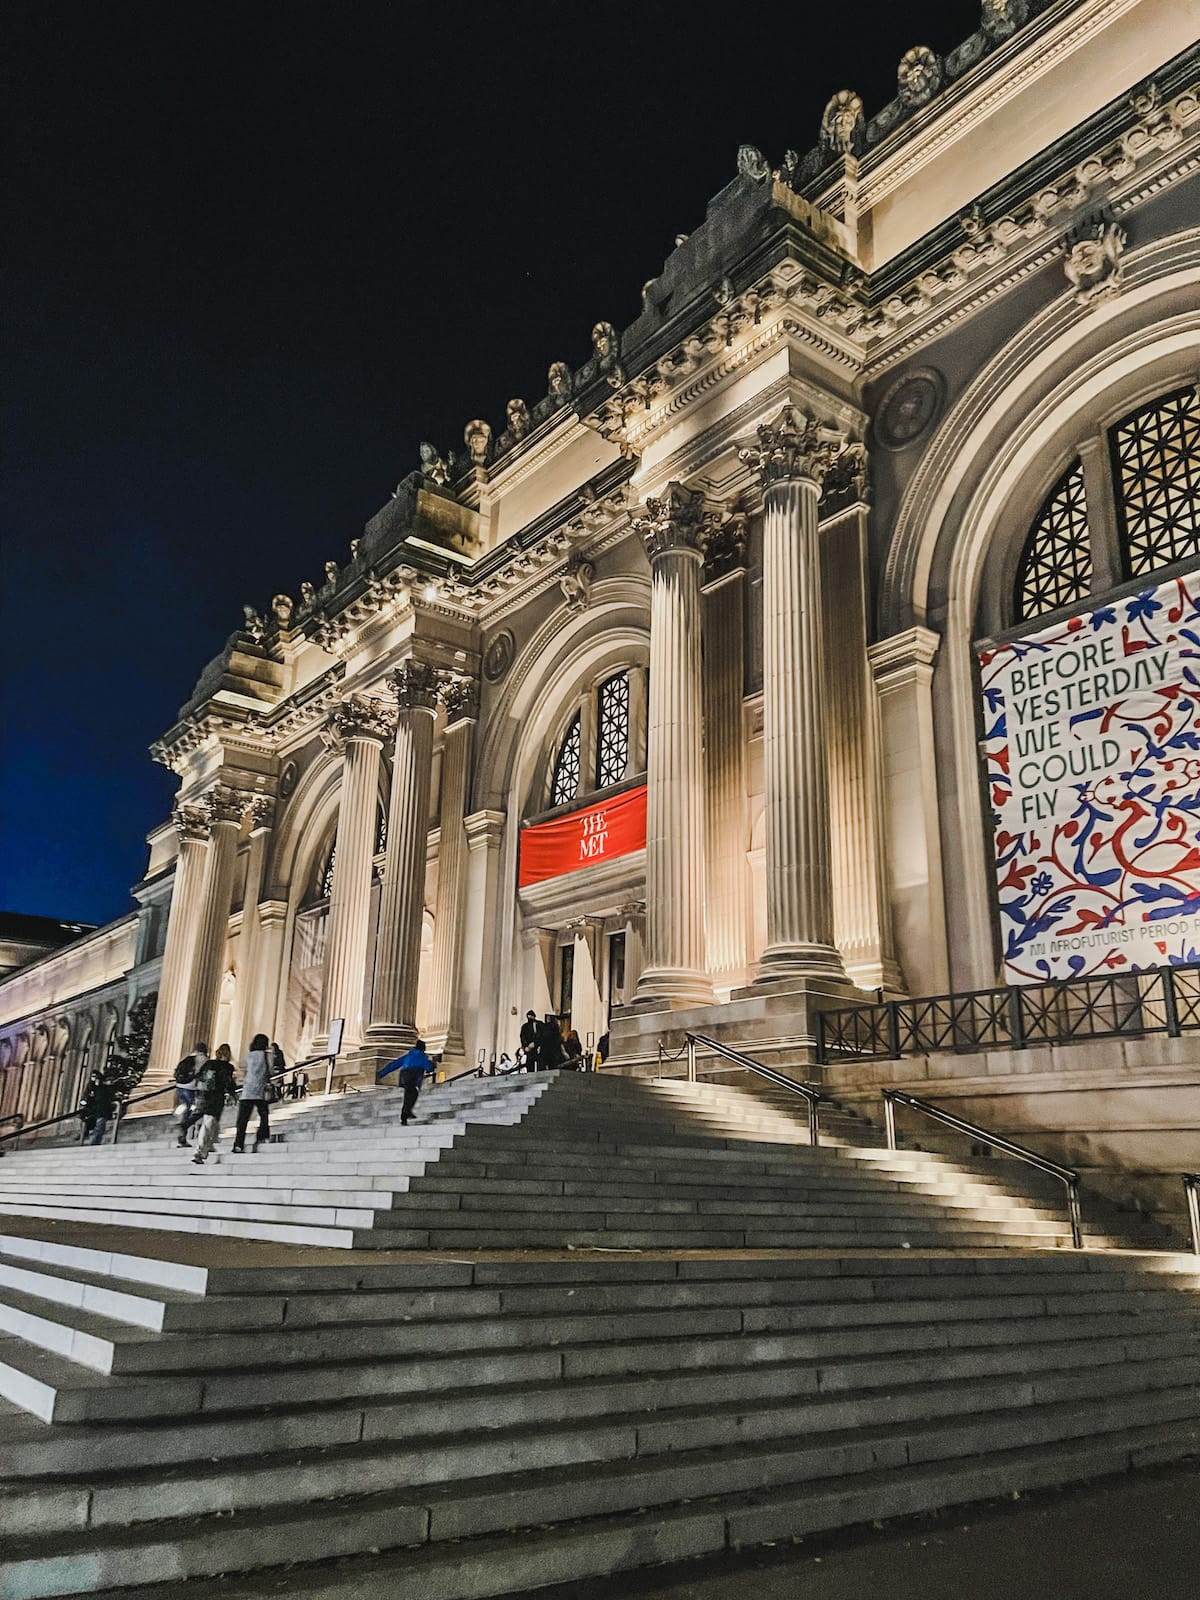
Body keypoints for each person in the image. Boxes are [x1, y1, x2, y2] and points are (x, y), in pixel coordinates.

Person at [190, 1049, 236, 1163]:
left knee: (211, 1121)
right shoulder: (227, 1066)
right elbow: (228, 1082)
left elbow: (199, 1076)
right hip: (216, 1097)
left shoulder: (209, 1064)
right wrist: (231, 1093)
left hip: (204, 1096)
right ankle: (200, 1151)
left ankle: (209, 1145)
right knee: (209, 1122)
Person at [378, 1040, 437, 1124]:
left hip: (404, 1077)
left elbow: (395, 1064)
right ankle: (405, 1115)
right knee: (413, 1095)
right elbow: (428, 1067)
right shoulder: (422, 1056)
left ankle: (406, 1113)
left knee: (408, 1096)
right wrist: (432, 1065)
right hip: (414, 1077)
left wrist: (382, 1073)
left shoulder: (409, 1055)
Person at [232, 1034, 272, 1153]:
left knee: (242, 1120)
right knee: (264, 1115)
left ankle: (238, 1144)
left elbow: (245, 1072)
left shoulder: (248, 1056)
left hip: (247, 1090)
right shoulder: (267, 1055)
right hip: (260, 1090)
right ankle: (262, 1136)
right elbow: (270, 1071)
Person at [172, 1042, 208, 1145]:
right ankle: (185, 1130)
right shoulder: (203, 1059)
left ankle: (182, 1133)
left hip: (180, 1086)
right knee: (193, 1111)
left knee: (184, 1109)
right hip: (192, 1088)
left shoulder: (186, 1059)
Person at [79, 1071, 117, 1145]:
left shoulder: (104, 1088)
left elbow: (108, 1098)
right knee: (90, 1125)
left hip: (101, 1111)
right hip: (92, 1111)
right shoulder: (90, 1087)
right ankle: (87, 1137)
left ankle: (94, 1141)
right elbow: (86, 1097)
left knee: (99, 1127)